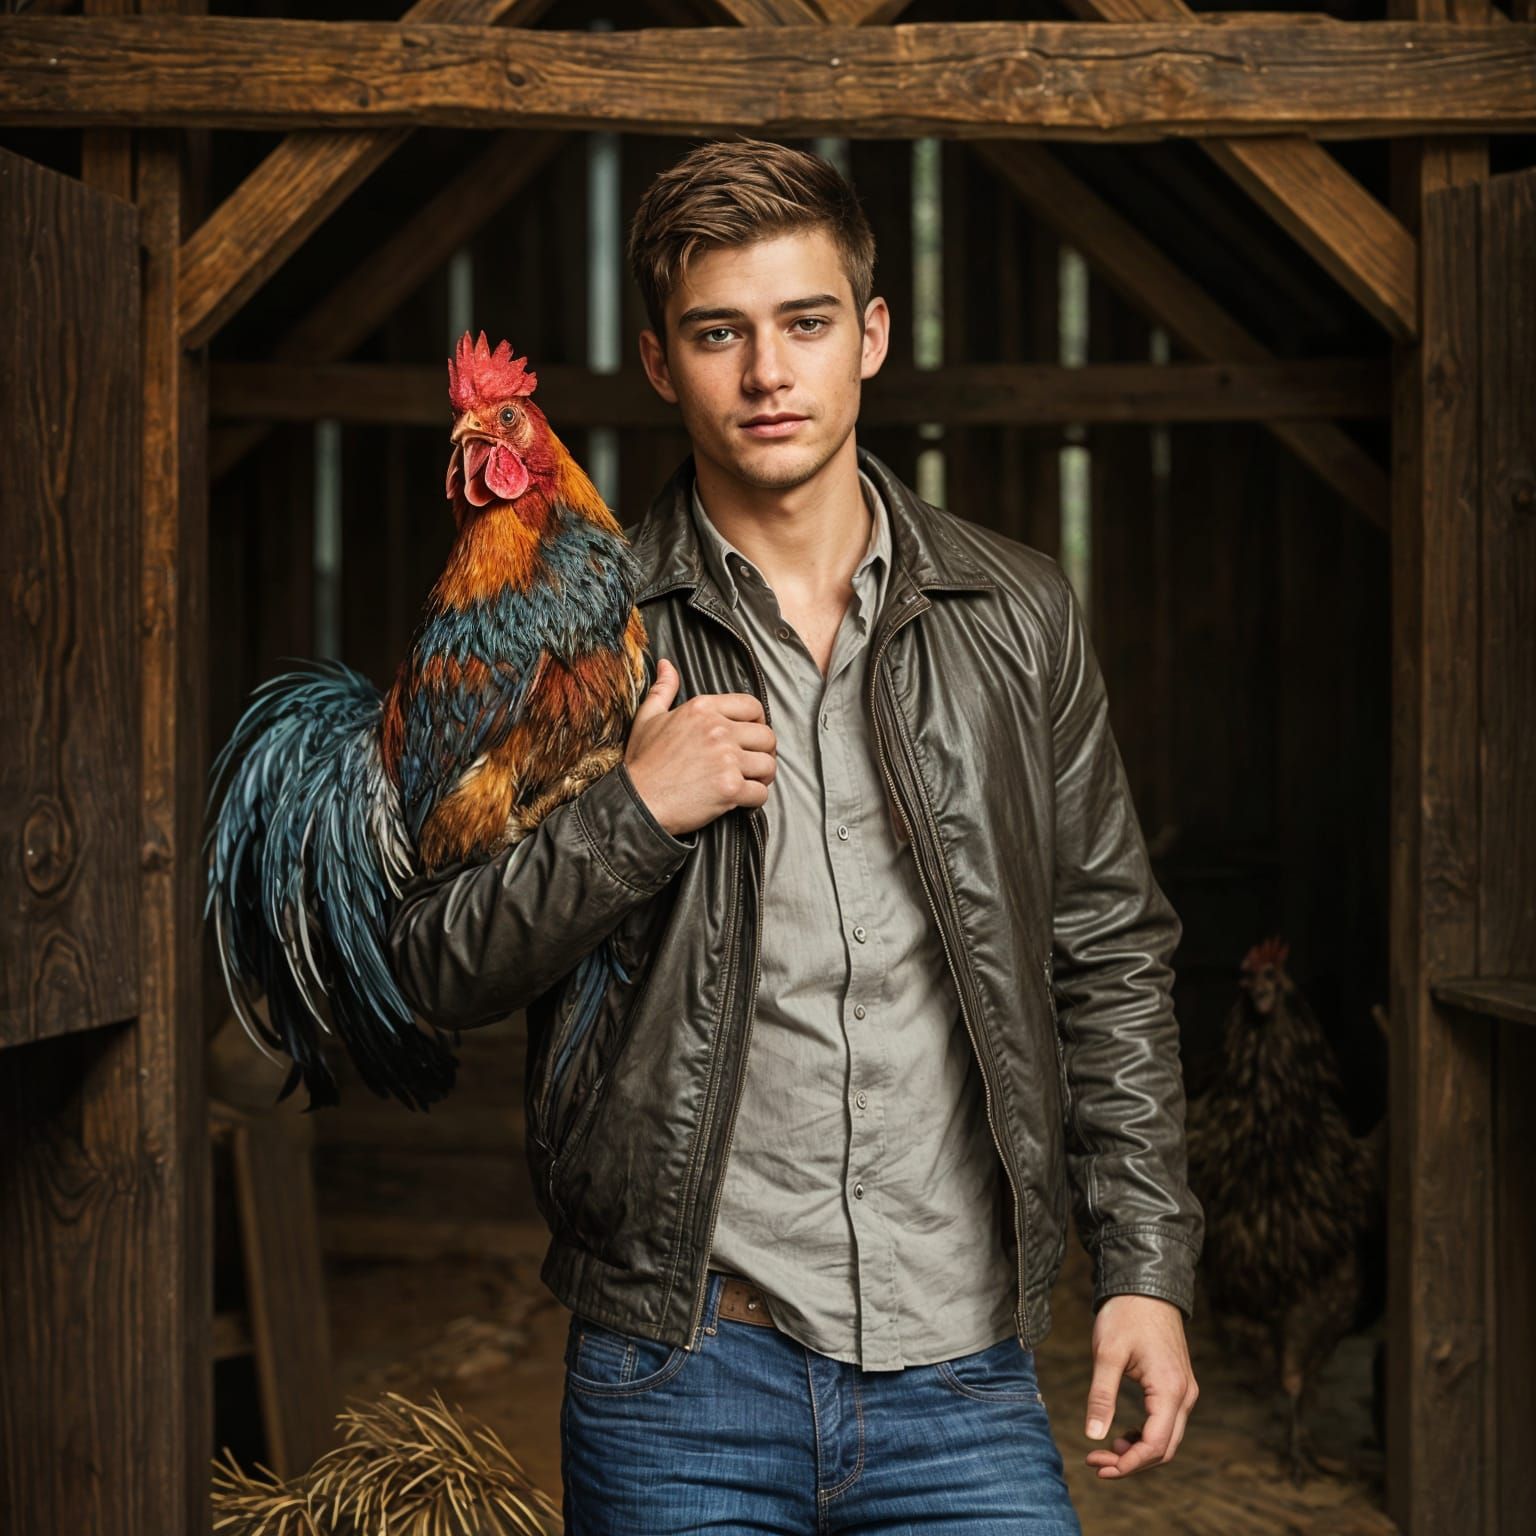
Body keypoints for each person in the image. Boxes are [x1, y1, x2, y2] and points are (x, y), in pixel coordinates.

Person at [387, 136, 1203, 1534]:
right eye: (720, 333)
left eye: (806, 323)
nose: (768, 373)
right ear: (661, 363)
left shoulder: (1015, 620)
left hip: (963, 1372)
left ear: (871, 335)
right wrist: (633, 817)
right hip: (680, 1369)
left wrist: (1147, 1264)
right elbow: (428, 964)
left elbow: (1111, 958)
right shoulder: (581, 637)